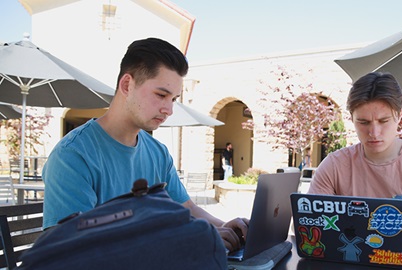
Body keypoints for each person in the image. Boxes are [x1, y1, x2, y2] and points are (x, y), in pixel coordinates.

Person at [42, 38, 248, 252]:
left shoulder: (157, 153)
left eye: (174, 99)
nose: (168, 109)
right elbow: (74, 249)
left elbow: (187, 208)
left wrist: (225, 227)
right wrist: (191, 237)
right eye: (161, 95)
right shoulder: (73, 155)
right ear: (126, 85)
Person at [308, 72, 402, 253]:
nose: (374, 132)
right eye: (363, 122)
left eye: (383, 121)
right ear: (352, 119)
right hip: (350, 263)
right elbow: (310, 223)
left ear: (399, 117)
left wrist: (400, 244)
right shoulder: (334, 165)